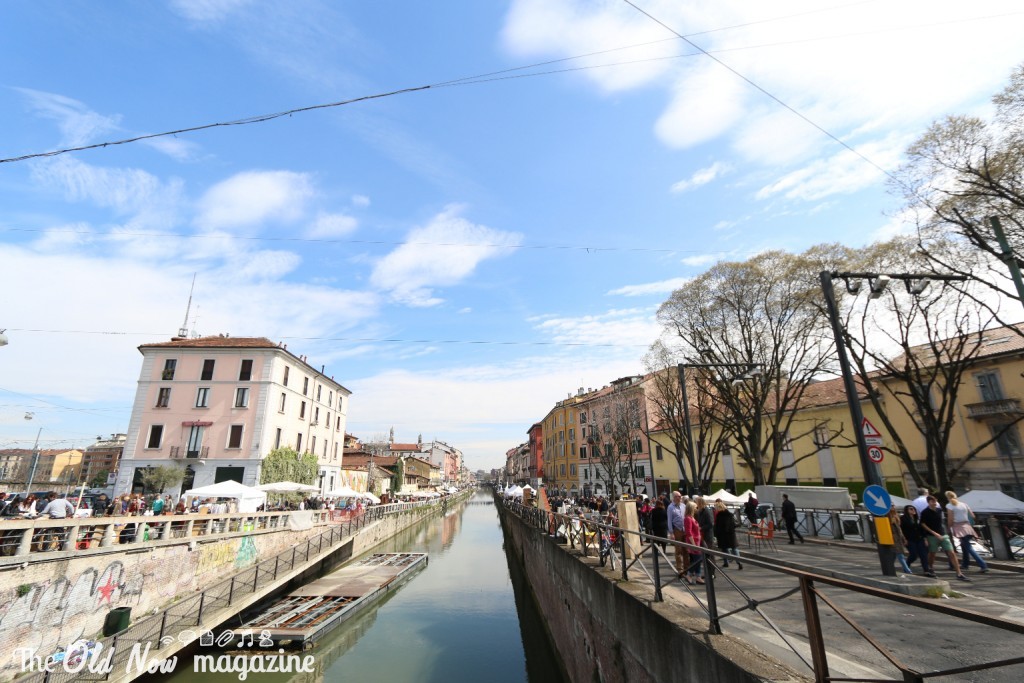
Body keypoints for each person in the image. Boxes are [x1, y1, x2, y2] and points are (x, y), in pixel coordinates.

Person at [920, 495, 969, 582]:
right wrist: (932, 534)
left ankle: (959, 573)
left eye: (935, 501)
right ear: (928, 502)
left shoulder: (939, 510)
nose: (934, 503)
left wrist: (946, 531)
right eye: (932, 501)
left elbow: (942, 521)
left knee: (951, 552)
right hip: (932, 536)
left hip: (943, 534)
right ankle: (930, 567)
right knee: (932, 553)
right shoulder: (925, 512)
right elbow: (923, 524)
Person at [945, 490, 988, 573]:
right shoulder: (964, 504)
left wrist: (949, 527)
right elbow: (972, 516)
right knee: (964, 545)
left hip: (958, 526)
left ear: (947, 498)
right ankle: (965, 564)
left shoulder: (949, 506)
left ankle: (983, 565)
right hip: (967, 526)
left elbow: (950, 519)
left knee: (968, 547)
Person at [900, 505, 933, 577]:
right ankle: (907, 563)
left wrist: (925, 539)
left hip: (920, 538)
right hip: (910, 539)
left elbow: (922, 530)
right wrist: (904, 539)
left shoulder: (917, 519)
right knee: (914, 554)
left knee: (923, 554)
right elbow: (901, 530)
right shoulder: (903, 519)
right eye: (911, 509)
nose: (913, 510)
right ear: (907, 510)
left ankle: (926, 570)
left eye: (914, 509)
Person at [713, 500, 742, 569]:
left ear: (719, 507)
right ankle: (737, 562)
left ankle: (728, 562)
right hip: (730, 534)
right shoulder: (728, 514)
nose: (715, 509)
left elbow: (719, 526)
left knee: (725, 549)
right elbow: (733, 525)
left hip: (724, 534)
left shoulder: (720, 515)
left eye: (716, 507)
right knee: (733, 549)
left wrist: (717, 533)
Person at [666, 491, 688, 576]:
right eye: (677, 496)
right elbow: (669, 520)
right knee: (678, 550)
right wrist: (671, 533)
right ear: (673, 498)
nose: (679, 498)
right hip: (677, 529)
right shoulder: (670, 507)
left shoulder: (683, 506)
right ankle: (680, 569)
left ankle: (687, 568)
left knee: (686, 549)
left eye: (680, 496)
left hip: (684, 529)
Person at [683, 501, 705, 584]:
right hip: (693, 542)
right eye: (695, 507)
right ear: (691, 508)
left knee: (696, 560)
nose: (697, 509)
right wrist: (693, 544)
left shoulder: (691, 517)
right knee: (698, 559)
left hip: (696, 541)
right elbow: (688, 532)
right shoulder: (688, 518)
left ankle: (697, 576)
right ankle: (690, 575)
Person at [888, 507, 913, 574]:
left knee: (895, 555)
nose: (893, 507)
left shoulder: (896, 516)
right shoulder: (887, 517)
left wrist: (903, 538)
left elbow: (899, 529)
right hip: (892, 539)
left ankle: (889, 567)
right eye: (891, 506)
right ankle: (907, 570)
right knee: (899, 555)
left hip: (898, 539)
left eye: (893, 506)